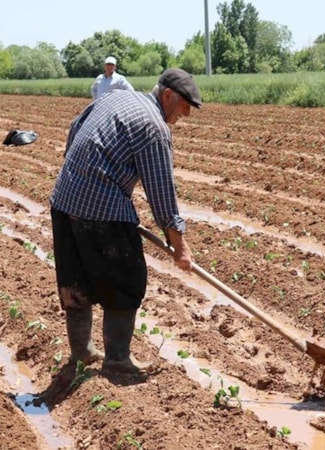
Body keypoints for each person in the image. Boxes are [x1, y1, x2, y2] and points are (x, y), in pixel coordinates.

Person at [50, 68, 201, 374]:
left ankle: (81, 354)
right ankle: (117, 360)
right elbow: (161, 192)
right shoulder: (154, 127)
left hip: (64, 199)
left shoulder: (115, 97)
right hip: (102, 208)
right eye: (185, 104)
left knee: (75, 282)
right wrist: (180, 244)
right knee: (126, 280)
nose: (185, 113)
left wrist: (79, 173)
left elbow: (74, 127)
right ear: (168, 95)